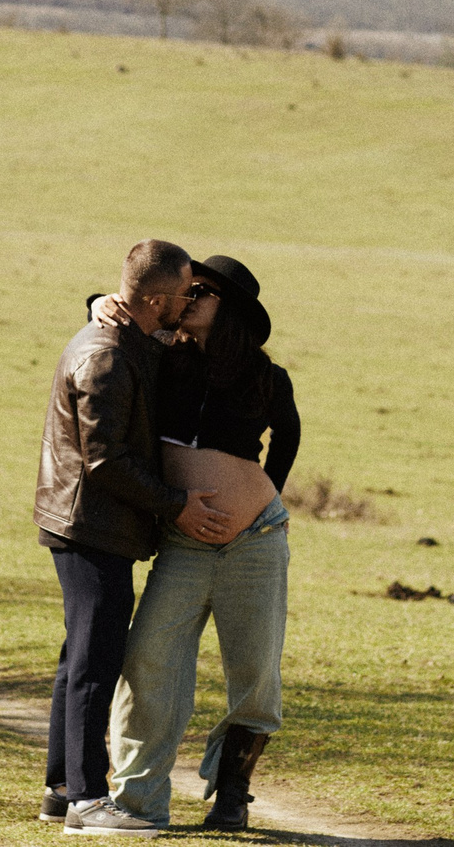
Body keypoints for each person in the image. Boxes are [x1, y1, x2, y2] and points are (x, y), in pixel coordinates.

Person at [35, 239, 235, 836]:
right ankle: (88, 802)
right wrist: (177, 506)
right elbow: (105, 461)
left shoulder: (130, 340)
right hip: (90, 524)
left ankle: (60, 789)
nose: (189, 302)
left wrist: (99, 300)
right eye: (184, 294)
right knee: (95, 663)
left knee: (81, 659)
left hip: (90, 524)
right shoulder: (108, 358)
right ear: (154, 299)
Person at [102, 255, 300, 831]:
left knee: (255, 669)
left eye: (202, 291)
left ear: (229, 308)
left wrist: (269, 499)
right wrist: (97, 304)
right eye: (186, 290)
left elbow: (287, 436)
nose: (188, 298)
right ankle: (139, 800)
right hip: (185, 543)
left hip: (256, 542)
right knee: (147, 660)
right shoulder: (163, 358)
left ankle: (233, 795)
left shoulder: (267, 376)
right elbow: (110, 311)